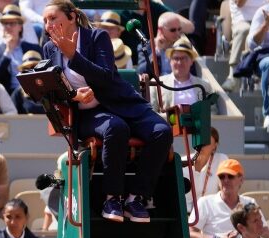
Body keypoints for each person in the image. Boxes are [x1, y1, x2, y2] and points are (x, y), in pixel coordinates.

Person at [42, 0, 172, 224]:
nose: (48, 25)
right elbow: (54, 89)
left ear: (72, 17)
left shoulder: (97, 37)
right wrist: (75, 96)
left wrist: (74, 56)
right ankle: (112, 198)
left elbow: (105, 76)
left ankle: (136, 198)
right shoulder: (49, 48)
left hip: (123, 103)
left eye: (53, 18)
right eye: (45, 21)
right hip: (87, 115)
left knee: (162, 131)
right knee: (116, 128)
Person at [189, 159, 269, 238]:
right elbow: (189, 234)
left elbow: (267, 235)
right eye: (222, 177)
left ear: (241, 179)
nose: (226, 180)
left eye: (230, 176)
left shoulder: (249, 202)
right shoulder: (205, 202)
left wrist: (244, 236)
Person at [151, 38, 225, 113]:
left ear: (191, 61)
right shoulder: (156, 84)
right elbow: (151, 114)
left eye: (184, 58)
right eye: (176, 58)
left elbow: (212, 112)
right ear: (170, 61)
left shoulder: (205, 86)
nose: (179, 63)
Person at [0, 5, 42, 92]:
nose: (8, 27)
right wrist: (7, 52)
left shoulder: (33, 48)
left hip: (33, 94)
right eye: (5, 23)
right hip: (7, 97)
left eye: (12, 23)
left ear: (20, 26)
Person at [222, 0, 269, 90]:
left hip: (261, 23)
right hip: (242, 22)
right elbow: (239, 3)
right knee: (245, 30)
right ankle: (233, 75)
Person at [136, 11, 196, 80]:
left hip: (178, 86)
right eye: (173, 30)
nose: (177, 33)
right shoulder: (146, 46)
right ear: (160, 30)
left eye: (179, 29)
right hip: (157, 87)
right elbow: (142, 72)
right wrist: (156, 51)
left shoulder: (184, 45)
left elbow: (192, 73)